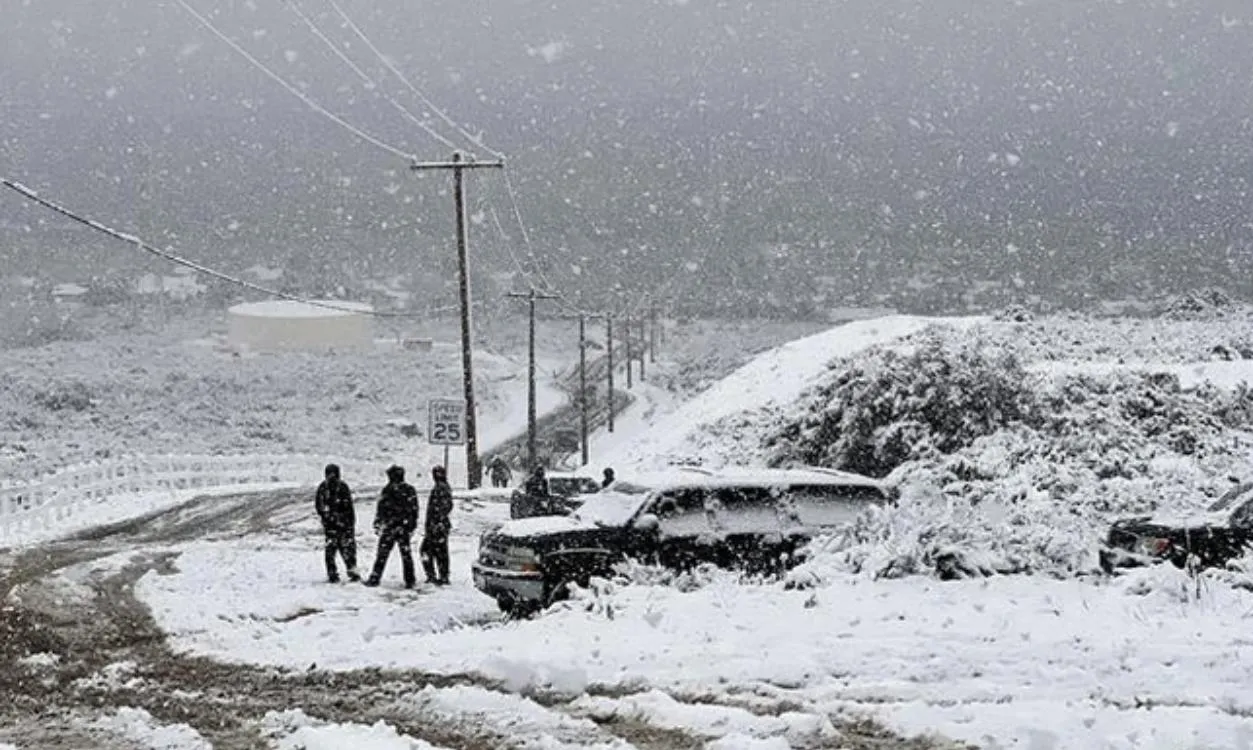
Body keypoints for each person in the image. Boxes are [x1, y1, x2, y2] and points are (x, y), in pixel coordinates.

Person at [364, 465, 419, 589]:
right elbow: (414, 510)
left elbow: (381, 508)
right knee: (406, 555)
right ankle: (410, 580)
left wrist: (378, 522)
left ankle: (375, 578)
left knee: (382, 554)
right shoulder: (409, 490)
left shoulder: (388, 490)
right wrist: (411, 525)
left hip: (390, 526)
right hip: (402, 527)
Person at [315, 463, 359, 583]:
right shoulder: (326, 488)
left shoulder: (332, 487)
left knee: (340, 550)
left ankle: (345, 572)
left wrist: (343, 521)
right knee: (340, 550)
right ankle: (342, 572)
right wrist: (330, 518)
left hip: (340, 525)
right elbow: (320, 507)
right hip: (336, 525)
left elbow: (348, 507)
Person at [420, 465, 454, 585]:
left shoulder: (441, 488)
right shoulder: (443, 486)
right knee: (440, 551)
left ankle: (433, 575)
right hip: (439, 525)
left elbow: (446, 506)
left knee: (426, 550)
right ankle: (442, 575)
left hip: (437, 526)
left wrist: (437, 521)